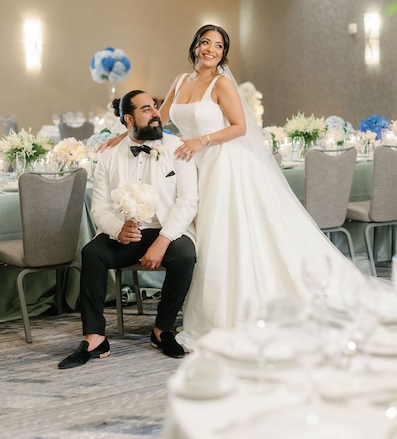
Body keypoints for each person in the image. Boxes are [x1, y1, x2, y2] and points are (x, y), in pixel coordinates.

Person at [101, 24, 376, 351]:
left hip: (223, 164)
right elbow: (157, 120)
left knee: (225, 237)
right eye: (205, 42)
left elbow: (239, 127)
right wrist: (124, 134)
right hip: (194, 166)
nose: (210, 50)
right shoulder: (180, 81)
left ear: (223, 53)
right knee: (208, 237)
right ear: (195, 46)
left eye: (218, 46)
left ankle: (235, 311)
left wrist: (201, 140)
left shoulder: (222, 84)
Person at [58, 90, 198, 369]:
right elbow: (98, 208)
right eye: (147, 109)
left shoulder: (176, 147)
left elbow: (188, 201)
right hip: (126, 233)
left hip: (167, 229)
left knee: (184, 255)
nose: (156, 113)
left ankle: (162, 330)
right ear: (129, 119)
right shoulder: (109, 156)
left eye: (155, 107)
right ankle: (95, 338)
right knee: (92, 252)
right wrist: (117, 230)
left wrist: (163, 240)